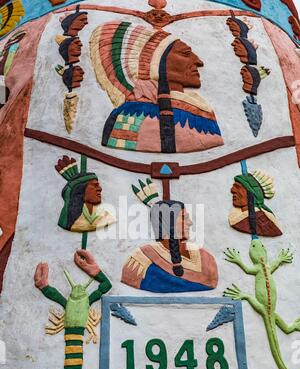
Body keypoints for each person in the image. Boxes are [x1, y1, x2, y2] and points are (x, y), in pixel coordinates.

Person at [90, 21, 224, 153]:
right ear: (155, 63)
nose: (198, 61)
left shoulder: (197, 106)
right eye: (185, 53)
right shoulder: (133, 116)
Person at [122, 200, 218, 293]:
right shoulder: (142, 258)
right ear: (167, 224)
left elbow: (212, 282)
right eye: (184, 218)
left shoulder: (205, 258)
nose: (190, 223)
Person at [55, 155, 116, 233]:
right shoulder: (68, 220)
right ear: (80, 190)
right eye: (95, 185)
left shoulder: (105, 217)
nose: (100, 189)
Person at [229, 170, 282, 237]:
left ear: (252, 193)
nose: (232, 190)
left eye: (237, 187)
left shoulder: (264, 221)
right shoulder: (236, 217)